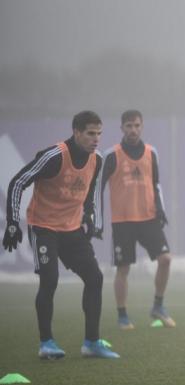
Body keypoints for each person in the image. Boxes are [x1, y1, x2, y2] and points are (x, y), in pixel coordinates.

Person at [2, 111, 119, 359]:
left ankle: (91, 343)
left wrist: (89, 215)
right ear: (76, 132)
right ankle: (46, 343)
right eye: (90, 133)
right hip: (43, 227)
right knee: (50, 280)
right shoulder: (54, 156)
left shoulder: (96, 159)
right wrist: (13, 223)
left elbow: (89, 191)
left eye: (99, 133)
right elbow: (17, 182)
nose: (96, 139)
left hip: (71, 228)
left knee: (95, 278)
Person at [99, 110, 175, 330]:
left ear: (142, 127)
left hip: (149, 218)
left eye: (137, 125)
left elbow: (156, 183)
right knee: (123, 269)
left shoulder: (152, 153)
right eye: (129, 126)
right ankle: (123, 315)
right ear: (122, 128)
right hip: (123, 221)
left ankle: (158, 306)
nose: (133, 130)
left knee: (166, 259)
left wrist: (160, 208)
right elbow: (98, 188)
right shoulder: (111, 155)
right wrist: (94, 217)